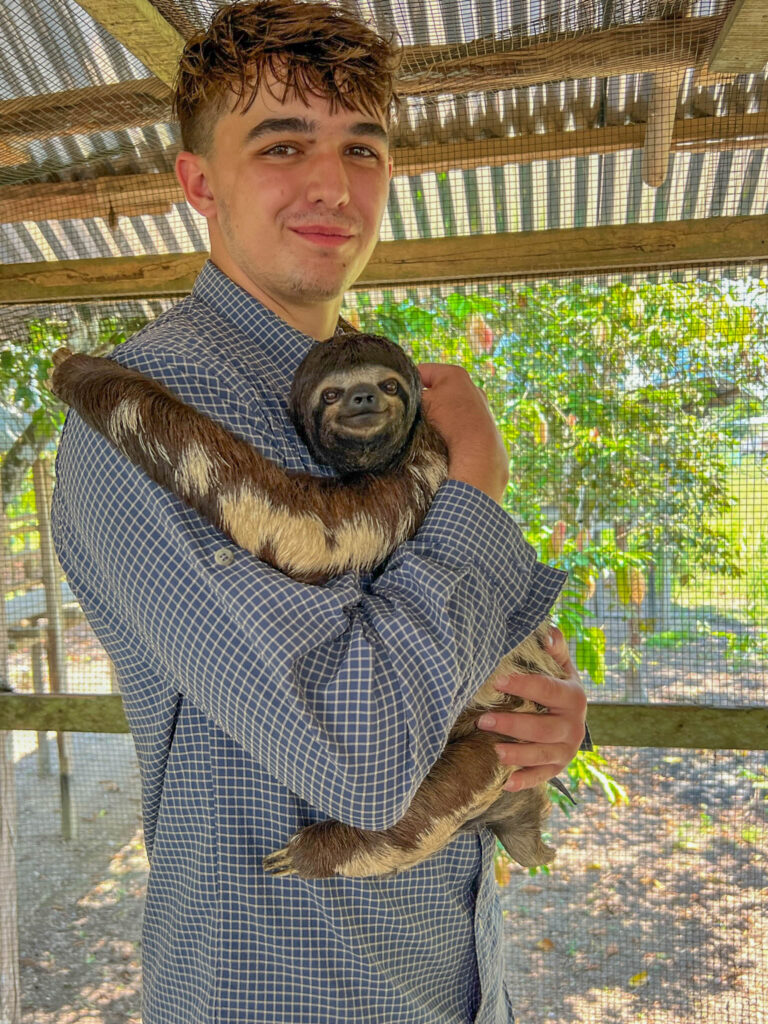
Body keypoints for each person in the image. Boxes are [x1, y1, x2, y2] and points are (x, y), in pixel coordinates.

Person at [51, 2, 588, 1022]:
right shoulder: (146, 421)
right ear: (198, 181)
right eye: (282, 143)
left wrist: (531, 722)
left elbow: (465, 635)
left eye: (363, 147)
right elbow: (364, 760)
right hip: (283, 988)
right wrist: (471, 486)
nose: (334, 186)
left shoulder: (388, 382)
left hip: (451, 972)